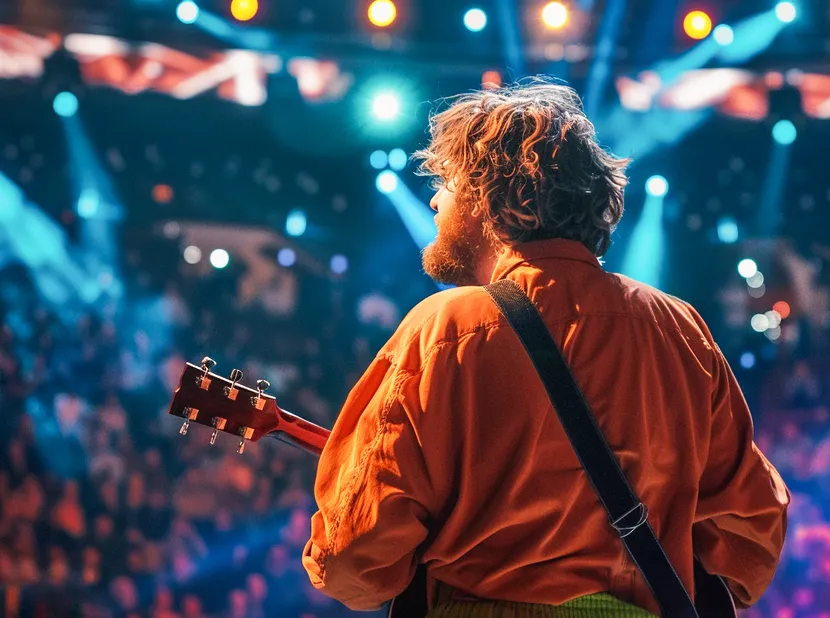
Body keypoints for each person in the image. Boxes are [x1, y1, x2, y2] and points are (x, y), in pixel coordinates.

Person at [303, 80, 789, 616]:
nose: (435, 200)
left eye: (446, 181)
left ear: (490, 198)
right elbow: (750, 544)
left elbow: (354, 557)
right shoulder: (678, 329)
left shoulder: (442, 329)